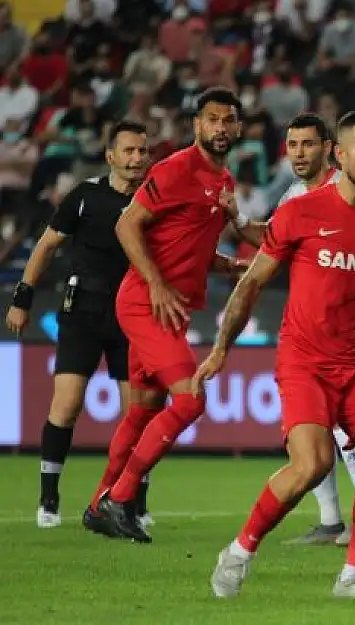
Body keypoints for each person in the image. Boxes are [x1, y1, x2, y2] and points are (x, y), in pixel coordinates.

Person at [202, 110, 355, 599]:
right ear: (339, 155)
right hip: (305, 361)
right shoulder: (300, 213)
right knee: (311, 465)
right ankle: (240, 550)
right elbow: (251, 283)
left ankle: (353, 576)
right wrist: (221, 349)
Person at [85, 88, 267, 543]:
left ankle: (98, 503)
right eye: (212, 119)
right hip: (146, 303)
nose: (221, 127)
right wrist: (158, 284)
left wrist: (229, 265)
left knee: (145, 409)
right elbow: (126, 225)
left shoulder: (223, 182)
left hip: (173, 310)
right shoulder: (174, 169)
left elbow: (191, 244)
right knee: (190, 400)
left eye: (229, 120)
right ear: (196, 125)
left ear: (238, 128)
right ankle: (120, 499)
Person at [5, 121, 159, 529]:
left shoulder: (155, 201)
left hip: (134, 315)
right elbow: (46, 245)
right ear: (111, 156)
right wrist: (23, 297)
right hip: (83, 311)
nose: (137, 158)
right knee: (67, 404)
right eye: (128, 151)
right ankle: (49, 499)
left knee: (136, 412)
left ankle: (132, 503)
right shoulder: (86, 196)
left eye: (142, 151)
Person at [270, 113, 355, 548]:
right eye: (292, 144)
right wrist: (238, 227)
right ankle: (330, 521)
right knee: (313, 430)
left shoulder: (346, 188)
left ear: (329, 147)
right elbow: (276, 244)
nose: (299, 153)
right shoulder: (292, 196)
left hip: (350, 332)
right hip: (307, 329)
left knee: (351, 434)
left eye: (307, 144)